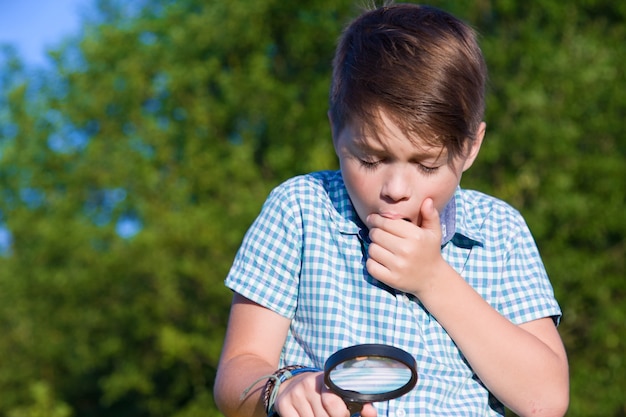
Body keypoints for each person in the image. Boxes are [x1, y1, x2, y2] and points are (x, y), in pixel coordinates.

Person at [214, 3, 569, 417]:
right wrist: (284, 388)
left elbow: (546, 400)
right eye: (370, 159)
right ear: (335, 131)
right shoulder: (299, 211)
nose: (396, 190)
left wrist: (433, 279)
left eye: (426, 165)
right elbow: (237, 374)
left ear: (471, 148)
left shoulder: (499, 231)